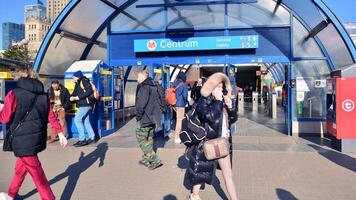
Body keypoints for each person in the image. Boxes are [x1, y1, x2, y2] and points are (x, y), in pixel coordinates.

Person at [0, 68, 68, 200]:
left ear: (21, 79)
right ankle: (10, 195)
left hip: (22, 140)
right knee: (20, 169)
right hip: (36, 138)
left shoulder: (13, 94)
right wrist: (60, 133)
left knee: (38, 176)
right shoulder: (44, 96)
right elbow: (51, 116)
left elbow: (5, 118)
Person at [187, 73, 238, 200]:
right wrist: (219, 102)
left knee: (228, 175)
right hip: (208, 143)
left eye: (222, 88)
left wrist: (230, 108)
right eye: (218, 88)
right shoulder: (203, 101)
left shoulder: (222, 102)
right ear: (211, 88)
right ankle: (194, 195)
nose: (221, 90)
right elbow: (209, 116)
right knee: (201, 172)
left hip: (222, 143)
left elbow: (233, 120)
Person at [135, 70, 163, 170]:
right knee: (149, 138)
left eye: (138, 77)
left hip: (145, 118)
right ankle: (147, 158)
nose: (136, 79)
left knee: (141, 139)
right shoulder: (154, 86)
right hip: (153, 118)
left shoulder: (144, 88)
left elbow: (141, 105)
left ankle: (154, 160)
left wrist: (138, 116)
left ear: (143, 78)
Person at [70, 70, 96, 147]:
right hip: (84, 105)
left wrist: (77, 97)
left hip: (85, 105)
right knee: (86, 121)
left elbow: (90, 91)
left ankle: (82, 139)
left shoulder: (84, 81)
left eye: (73, 77)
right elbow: (74, 93)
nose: (73, 79)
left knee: (77, 120)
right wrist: (71, 97)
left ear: (77, 76)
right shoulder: (77, 84)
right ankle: (92, 137)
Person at [173, 72, 188, 144]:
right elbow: (185, 96)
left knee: (178, 120)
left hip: (175, 104)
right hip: (181, 104)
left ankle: (178, 136)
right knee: (180, 121)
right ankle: (176, 137)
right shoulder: (184, 85)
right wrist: (186, 102)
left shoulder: (175, 83)